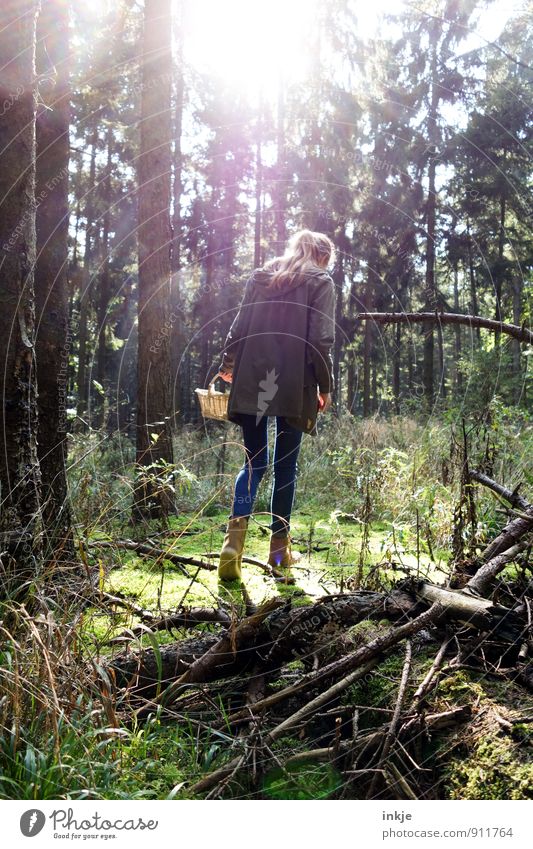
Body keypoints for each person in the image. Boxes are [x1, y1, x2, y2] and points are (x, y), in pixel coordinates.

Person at [215, 229, 336, 582]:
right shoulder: (321, 281)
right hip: (296, 382)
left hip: (253, 376)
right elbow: (320, 339)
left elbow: (239, 327)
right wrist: (324, 385)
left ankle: (233, 544)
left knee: (253, 462)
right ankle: (279, 556)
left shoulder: (261, 277)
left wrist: (227, 365)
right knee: (285, 468)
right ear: (322, 256)